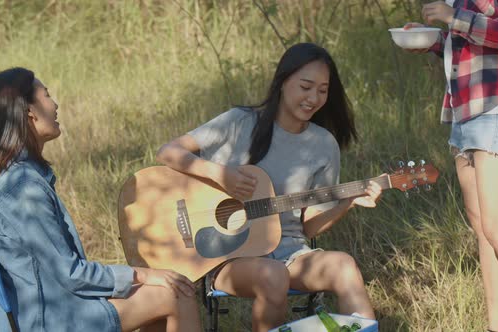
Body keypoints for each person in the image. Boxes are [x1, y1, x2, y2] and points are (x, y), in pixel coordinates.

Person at [156, 43, 382, 332]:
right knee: (273, 275)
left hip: (290, 255)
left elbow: (308, 228)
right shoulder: (239, 121)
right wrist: (219, 173)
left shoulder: (324, 145)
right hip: (228, 257)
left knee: (344, 266)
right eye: (305, 86)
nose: (313, 98)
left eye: (323, 90)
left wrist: (347, 203)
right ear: (283, 81)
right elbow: (169, 152)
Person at [0, 67, 202, 332]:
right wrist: (142, 274)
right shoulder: (23, 189)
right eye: (46, 95)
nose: (55, 104)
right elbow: (70, 274)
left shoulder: (14, 180)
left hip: (45, 312)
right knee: (177, 291)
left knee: (161, 294)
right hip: (52, 320)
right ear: (29, 112)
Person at [402, 1, 498, 331]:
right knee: (484, 233)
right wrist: (432, 40)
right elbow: (468, 49)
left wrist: (454, 18)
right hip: (463, 116)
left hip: (494, 110)